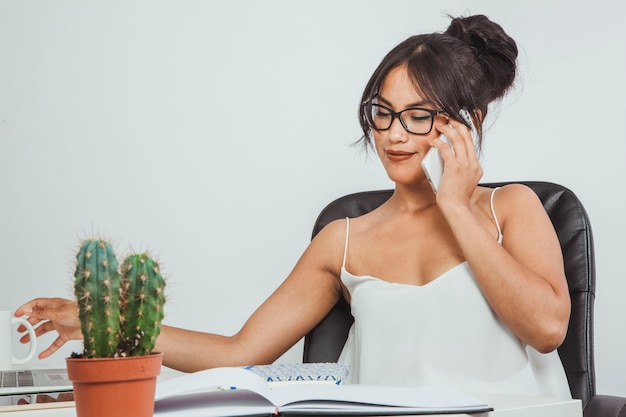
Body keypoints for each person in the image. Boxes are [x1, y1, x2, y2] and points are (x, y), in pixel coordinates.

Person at [15, 14, 572, 399]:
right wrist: (102, 321)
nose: (395, 135)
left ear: (465, 123)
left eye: (418, 116)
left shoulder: (513, 208)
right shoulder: (343, 240)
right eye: (383, 112)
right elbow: (239, 352)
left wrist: (456, 206)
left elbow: (547, 328)